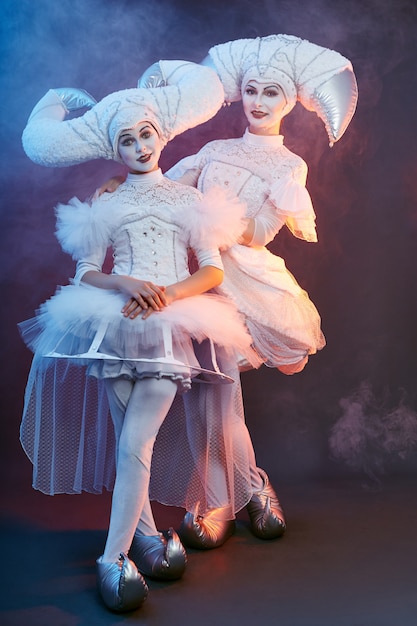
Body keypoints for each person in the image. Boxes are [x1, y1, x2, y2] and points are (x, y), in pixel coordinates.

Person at [19, 61, 263, 612]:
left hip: (170, 325)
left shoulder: (185, 199)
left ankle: (112, 557)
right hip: (113, 323)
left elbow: (211, 269)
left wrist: (170, 295)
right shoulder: (107, 200)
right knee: (128, 438)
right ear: (116, 151)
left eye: (146, 135)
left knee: (135, 444)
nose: (138, 146)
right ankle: (148, 538)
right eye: (126, 140)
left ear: (161, 136)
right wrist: (124, 280)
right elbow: (85, 271)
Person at [99, 35, 358, 549]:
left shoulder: (289, 167)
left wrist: (209, 224)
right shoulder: (215, 149)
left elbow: (259, 232)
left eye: (272, 94)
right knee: (206, 403)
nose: (259, 102)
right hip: (189, 277)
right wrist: (118, 182)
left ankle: (220, 498)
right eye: (252, 91)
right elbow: (161, 185)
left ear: (289, 103)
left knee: (218, 398)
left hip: (237, 284)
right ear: (240, 94)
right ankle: (247, 489)